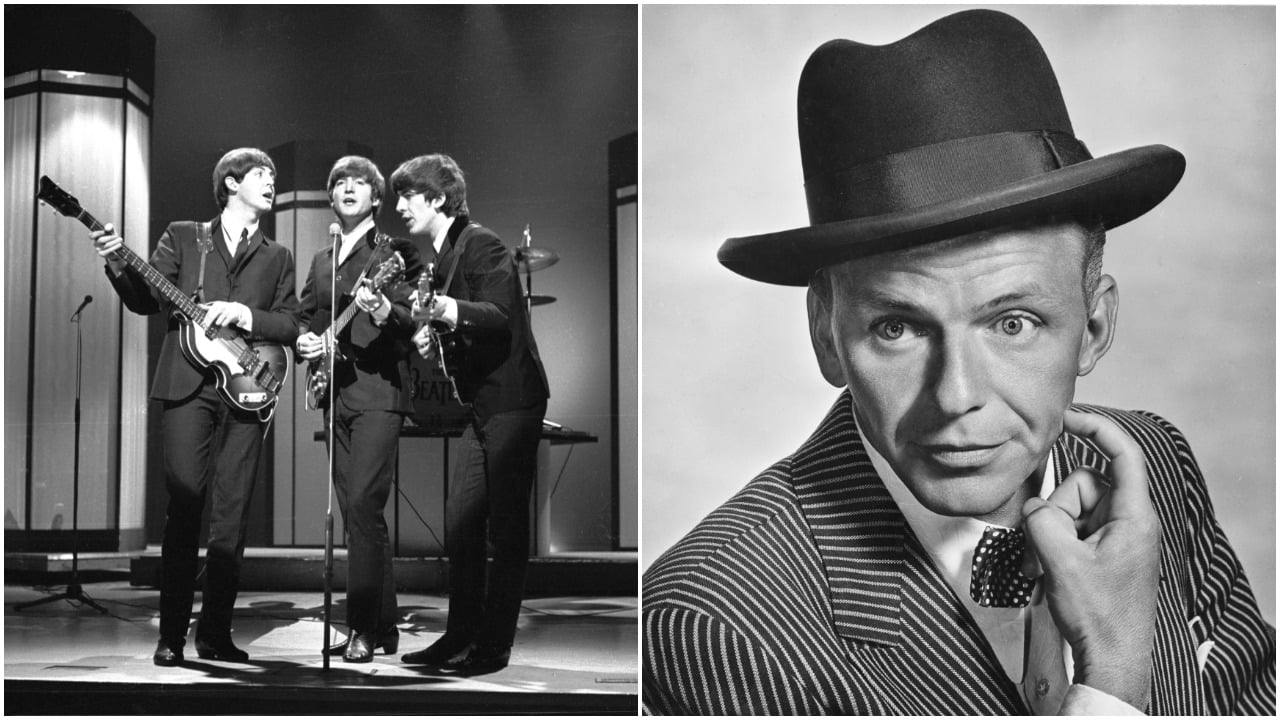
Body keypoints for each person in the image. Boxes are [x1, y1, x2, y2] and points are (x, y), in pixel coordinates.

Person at [642, 10, 1275, 715]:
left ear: (1093, 326)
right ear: (827, 334)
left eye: (1012, 323)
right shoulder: (714, 624)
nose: (956, 398)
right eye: (897, 328)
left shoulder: (1156, 462)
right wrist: (1114, 674)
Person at [91, 147, 299, 666]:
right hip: (187, 387)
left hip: (249, 391)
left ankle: (216, 634)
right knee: (184, 509)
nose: (271, 182)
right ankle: (171, 637)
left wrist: (245, 315)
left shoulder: (278, 256)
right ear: (230, 183)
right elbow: (146, 299)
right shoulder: (186, 237)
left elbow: (291, 325)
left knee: (231, 519)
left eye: (273, 175)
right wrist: (117, 262)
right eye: (261, 174)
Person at [391, 153, 550, 675]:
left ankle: (492, 647)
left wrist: (442, 311)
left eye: (407, 197)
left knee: (504, 532)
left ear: (436, 199)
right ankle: (458, 636)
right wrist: (429, 333)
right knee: (461, 526)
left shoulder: (479, 242)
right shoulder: (445, 253)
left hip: (512, 401)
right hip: (484, 405)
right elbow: (462, 332)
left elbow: (501, 316)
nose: (400, 207)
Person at [295, 156, 422, 663]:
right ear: (332, 198)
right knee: (357, 515)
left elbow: (414, 322)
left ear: (376, 198)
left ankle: (361, 629)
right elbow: (304, 316)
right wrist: (306, 341)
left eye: (360, 184)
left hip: (377, 394)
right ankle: (384, 626)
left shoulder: (394, 253)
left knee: (365, 508)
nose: (349, 190)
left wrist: (384, 309)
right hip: (334, 395)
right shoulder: (322, 259)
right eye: (340, 184)